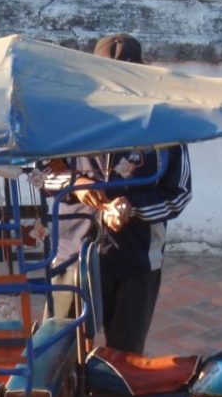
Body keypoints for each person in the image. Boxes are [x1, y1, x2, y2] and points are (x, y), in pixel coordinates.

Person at [42, 34, 191, 354]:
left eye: (123, 78)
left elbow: (180, 194)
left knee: (125, 357)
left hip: (136, 260)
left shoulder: (164, 127)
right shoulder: (69, 120)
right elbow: (41, 174)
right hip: (73, 255)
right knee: (62, 352)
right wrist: (75, 184)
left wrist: (132, 208)